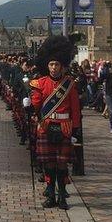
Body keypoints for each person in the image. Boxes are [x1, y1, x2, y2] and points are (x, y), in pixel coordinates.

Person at [29, 36, 81, 210]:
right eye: (51, 64)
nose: (53, 68)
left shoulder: (70, 85)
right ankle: (50, 194)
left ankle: (62, 197)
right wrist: (32, 101)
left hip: (64, 127)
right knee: (49, 163)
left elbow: (75, 109)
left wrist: (76, 130)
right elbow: (36, 105)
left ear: (62, 66)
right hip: (46, 126)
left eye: (56, 64)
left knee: (61, 164)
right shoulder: (40, 83)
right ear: (46, 65)